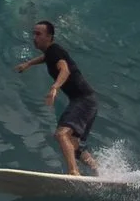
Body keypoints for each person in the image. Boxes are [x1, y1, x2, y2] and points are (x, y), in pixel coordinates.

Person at [13, 20, 101, 177]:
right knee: (73, 147)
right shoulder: (51, 52)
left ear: (49, 37)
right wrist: (28, 64)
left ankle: (74, 172)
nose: (34, 37)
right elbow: (45, 58)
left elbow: (65, 70)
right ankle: (100, 172)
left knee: (61, 135)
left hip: (83, 100)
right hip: (87, 100)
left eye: (38, 34)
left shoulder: (54, 51)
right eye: (34, 33)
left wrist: (55, 87)